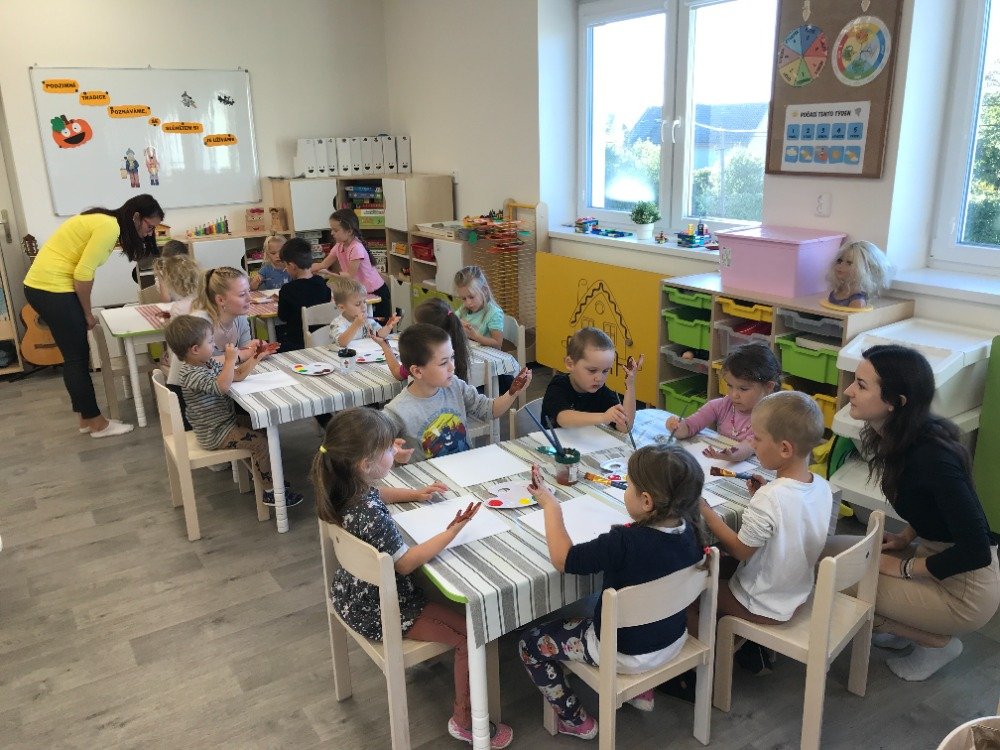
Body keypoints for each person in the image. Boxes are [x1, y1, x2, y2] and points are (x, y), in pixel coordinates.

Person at [313, 407, 513, 749]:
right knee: (472, 634)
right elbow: (406, 564)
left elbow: (378, 494)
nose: (395, 451)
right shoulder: (370, 515)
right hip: (382, 610)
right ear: (366, 464)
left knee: (442, 587)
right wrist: (452, 531)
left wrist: (415, 493)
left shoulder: (344, 486)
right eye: (388, 449)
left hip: (350, 596)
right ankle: (466, 721)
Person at [518, 445, 705, 740]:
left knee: (530, 643)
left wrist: (551, 507)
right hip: (672, 641)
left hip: (623, 653)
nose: (625, 490)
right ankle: (641, 690)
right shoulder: (693, 530)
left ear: (646, 501)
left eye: (628, 485)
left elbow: (563, 559)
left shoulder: (624, 542)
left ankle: (575, 720)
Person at [837, 344, 999, 681]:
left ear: (896, 402)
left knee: (843, 579)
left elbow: (977, 550)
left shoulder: (932, 456)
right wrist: (906, 536)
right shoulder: (904, 437)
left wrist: (905, 568)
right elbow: (931, 502)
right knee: (840, 558)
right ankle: (909, 626)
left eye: (861, 385)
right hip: (936, 557)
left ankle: (937, 644)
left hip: (964, 591)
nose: (849, 391)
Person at [698, 390, 832, 674]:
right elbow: (790, 521)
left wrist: (708, 513)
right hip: (795, 591)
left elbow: (740, 550)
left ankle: (709, 664)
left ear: (784, 449)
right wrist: (762, 494)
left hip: (762, 603)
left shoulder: (771, 498)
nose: (752, 444)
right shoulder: (821, 485)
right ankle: (747, 646)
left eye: (757, 439)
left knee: (692, 589)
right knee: (715, 563)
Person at [22, 194, 164, 438]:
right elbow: (83, 275)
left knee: (76, 356)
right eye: (149, 227)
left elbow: (83, 270)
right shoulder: (109, 227)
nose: (150, 233)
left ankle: (86, 419)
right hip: (51, 289)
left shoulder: (104, 221)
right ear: (136, 217)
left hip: (44, 287)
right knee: (77, 358)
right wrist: (87, 313)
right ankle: (98, 424)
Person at [165, 314, 303, 507]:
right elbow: (223, 386)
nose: (214, 345)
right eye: (210, 341)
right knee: (260, 443)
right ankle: (271, 492)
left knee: (263, 426)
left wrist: (256, 357)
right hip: (215, 433)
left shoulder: (207, 363)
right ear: (195, 349)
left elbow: (236, 375)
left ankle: (266, 476)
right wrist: (230, 360)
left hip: (226, 422)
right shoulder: (191, 373)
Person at [384, 324, 530, 461]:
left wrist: (512, 393)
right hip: (429, 478)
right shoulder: (397, 410)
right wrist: (390, 451)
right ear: (417, 371)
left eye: (452, 357)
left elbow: (490, 410)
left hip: (464, 467)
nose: (452, 367)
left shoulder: (454, 385)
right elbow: (374, 443)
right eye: (443, 363)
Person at [166, 266, 275, 428]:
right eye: (242, 294)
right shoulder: (199, 323)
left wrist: (255, 349)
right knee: (255, 417)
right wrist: (242, 355)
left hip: (218, 392)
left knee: (260, 410)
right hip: (193, 402)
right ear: (220, 300)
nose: (249, 298)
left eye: (248, 292)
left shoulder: (240, 317)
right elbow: (193, 366)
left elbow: (244, 351)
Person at [666, 343, 781, 463]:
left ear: (768, 387)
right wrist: (676, 427)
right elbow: (690, 426)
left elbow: (748, 447)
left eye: (743, 389)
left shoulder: (769, 419)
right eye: (730, 386)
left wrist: (731, 454)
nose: (734, 394)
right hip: (722, 463)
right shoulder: (722, 405)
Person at [541, 327, 641, 434]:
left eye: (605, 371)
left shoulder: (602, 392)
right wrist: (603, 417)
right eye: (592, 370)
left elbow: (625, 427)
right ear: (570, 364)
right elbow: (563, 418)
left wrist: (630, 385)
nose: (599, 378)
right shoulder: (558, 385)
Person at [311, 208, 391, 321]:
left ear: (349, 231)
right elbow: (323, 264)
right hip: (361, 293)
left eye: (335, 230)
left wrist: (328, 274)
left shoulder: (356, 248)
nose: (332, 233)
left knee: (374, 328)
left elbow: (349, 276)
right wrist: (307, 268)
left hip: (376, 294)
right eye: (331, 229)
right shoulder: (339, 246)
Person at [375, 297, 470, 383]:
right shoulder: (458, 346)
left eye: (416, 325)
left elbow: (398, 373)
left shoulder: (422, 355)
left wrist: (384, 345)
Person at [276, 237, 331, 352]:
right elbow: (327, 303)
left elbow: (282, 316)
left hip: (297, 344)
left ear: (292, 266)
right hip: (323, 341)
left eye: (286, 266)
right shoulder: (321, 282)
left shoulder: (287, 290)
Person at [152, 254, 202, 372]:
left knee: (162, 358)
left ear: (172, 284)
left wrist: (167, 322)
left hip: (184, 364)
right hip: (205, 355)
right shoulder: (204, 302)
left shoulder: (177, 308)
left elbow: (174, 339)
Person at [330, 279, 399, 349]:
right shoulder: (337, 323)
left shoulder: (367, 319)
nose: (363, 307)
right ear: (342, 307)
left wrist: (388, 327)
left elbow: (379, 334)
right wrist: (356, 324)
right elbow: (342, 342)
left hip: (364, 353)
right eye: (357, 304)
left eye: (364, 302)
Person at [824, 240, 891, 309]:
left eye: (849, 263)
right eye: (840, 261)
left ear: (865, 268)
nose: (841, 266)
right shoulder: (836, 292)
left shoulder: (857, 302)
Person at [454, 265, 503, 350]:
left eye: (472, 297)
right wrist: (457, 323)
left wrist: (474, 336)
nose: (468, 303)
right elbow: (451, 319)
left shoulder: (494, 313)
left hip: (486, 355)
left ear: (484, 291)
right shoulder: (464, 309)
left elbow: (497, 345)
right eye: (463, 299)